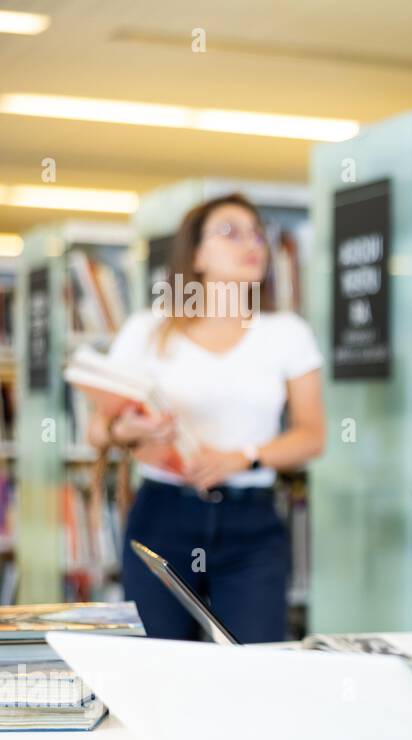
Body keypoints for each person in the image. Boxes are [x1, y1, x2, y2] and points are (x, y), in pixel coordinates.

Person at [89, 193, 325, 643]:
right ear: (196, 254)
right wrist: (129, 429)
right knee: (159, 667)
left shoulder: (286, 333)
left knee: (255, 669)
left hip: (250, 523)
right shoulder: (148, 329)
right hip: (163, 516)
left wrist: (245, 456)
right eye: (230, 232)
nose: (251, 243)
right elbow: (99, 429)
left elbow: (312, 436)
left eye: (258, 233)